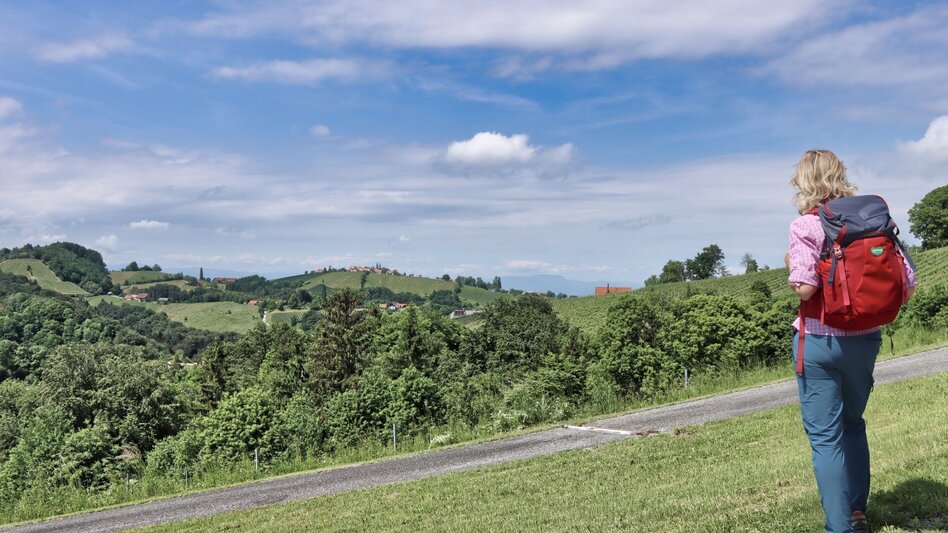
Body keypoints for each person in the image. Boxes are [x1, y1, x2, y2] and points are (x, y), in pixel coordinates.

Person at [784, 149, 916, 533]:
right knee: (854, 424)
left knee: (827, 438)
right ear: (841, 177)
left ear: (804, 182)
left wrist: (793, 265)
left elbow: (806, 289)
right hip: (865, 341)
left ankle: (839, 527)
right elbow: (906, 285)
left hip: (820, 342)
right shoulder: (874, 220)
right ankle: (857, 512)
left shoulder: (806, 226)